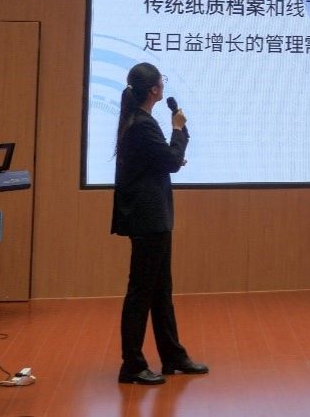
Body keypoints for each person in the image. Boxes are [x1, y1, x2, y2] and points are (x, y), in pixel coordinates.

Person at [111, 62, 208, 384]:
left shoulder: (139, 121)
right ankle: (132, 364)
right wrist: (178, 129)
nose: (163, 86)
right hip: (148, 219)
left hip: (152, 218)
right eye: (161, 82)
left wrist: (174, 144)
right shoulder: (142, 124)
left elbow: (162, 161)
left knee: (160, 290)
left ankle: (173, 355)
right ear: (154, 90)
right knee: (141, 292)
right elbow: (171, 162)